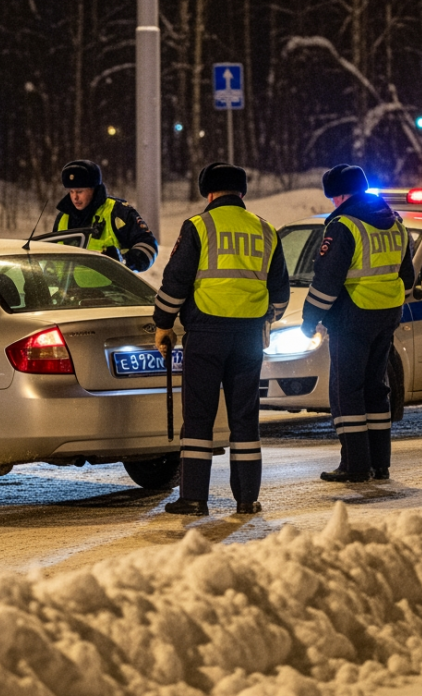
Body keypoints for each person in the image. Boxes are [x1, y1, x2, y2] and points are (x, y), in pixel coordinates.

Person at [153, 163, 290, 516]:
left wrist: (163, 323)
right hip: (248, 338)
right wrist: (264, 318)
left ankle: (195, 498)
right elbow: (280, 295)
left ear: (209, 192)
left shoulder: (199, 226)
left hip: (206, 335)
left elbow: (175, 282)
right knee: (245, 418)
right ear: (241, 192)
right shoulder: (266, 230)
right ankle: (247, 499)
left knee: (199, 418)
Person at [300, 164, 415, 483]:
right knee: (376, 389)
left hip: (352, 317)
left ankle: (355, 465)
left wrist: (310, 319)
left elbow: (326, 282)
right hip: (386, 316)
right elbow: (408, 278)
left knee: (346, 390)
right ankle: (380, 464)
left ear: (340, 195)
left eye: (333, 197)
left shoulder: (344, 225)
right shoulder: (395, 223)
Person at [52, 160, 158, 272]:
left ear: (94, 189)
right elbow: (51, 260)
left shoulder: (117, 212)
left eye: (79, 191)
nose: (75, 197)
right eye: (71, 192)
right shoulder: (62, 218)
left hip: (110, 289)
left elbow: (149, 246)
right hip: (67, 289)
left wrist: (124, 262)